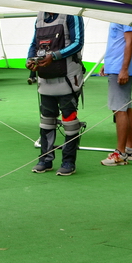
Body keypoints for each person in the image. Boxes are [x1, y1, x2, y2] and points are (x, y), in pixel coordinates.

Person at [27, 12, 85, 176]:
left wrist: (54, 56)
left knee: (69, 121)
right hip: (46, 78)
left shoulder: (72, 14)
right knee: (46, 119)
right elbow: (34, 43)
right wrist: (30, 59)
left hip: (67, 77)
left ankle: (68, 161)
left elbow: (78, 43)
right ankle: (45, 159)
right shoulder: (40, 17)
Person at [101, 22, 132, 167]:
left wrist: (123, 69)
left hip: (120, 69)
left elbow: (130, 42)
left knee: (119, 109)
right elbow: (117, 42)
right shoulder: (117, 14)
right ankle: (130, 150)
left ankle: (120, 153)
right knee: (126, 106)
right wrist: (108, 63)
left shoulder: (127, 15)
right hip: (116, 66)